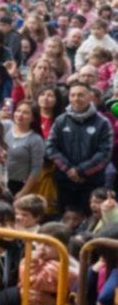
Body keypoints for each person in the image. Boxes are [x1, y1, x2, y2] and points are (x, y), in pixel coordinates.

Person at [46, 81, 112, 216]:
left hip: (91, 182)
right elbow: (51, 147)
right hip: (64, 181)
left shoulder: (103, 123)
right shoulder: (60, 120)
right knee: (64, 218)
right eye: (73, 95)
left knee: (87, 219)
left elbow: (105, 153)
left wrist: (81, 171)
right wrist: (69, 169)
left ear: (89, 97)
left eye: (81, 95)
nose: (76, 99)